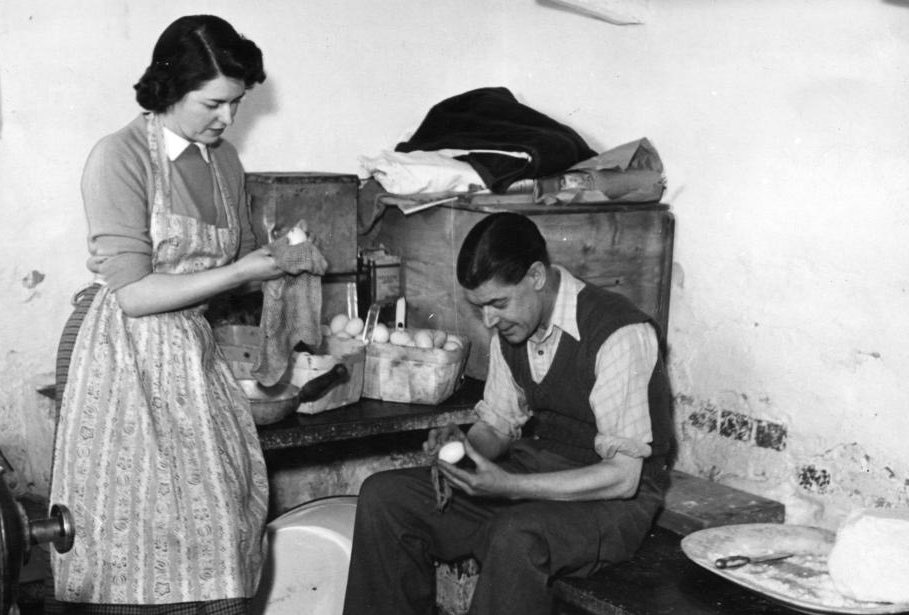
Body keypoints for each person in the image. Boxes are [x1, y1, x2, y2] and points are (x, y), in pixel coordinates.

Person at [49, 15, 278, 614]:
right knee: (141, 531)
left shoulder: (223, 164)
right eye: (215, 104)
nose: (228, 120)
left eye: (237, 102)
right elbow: (133, 293)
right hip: (127, 359)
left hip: (193, 359)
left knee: (223, 524)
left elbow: (240, 255)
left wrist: (278, 257)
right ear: (171, 86)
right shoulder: (120, 156)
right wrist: (243, 271)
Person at [342, 212, 675, 615]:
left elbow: (623, 478)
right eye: (480, 307)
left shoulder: (617, 332)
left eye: (498, 303)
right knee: (386, 496)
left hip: (614, 502)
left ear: (536, 276)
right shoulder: (513, 326)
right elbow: (498, 426)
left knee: (515, 534)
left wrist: (508, 488)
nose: (488, 320)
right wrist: (464, 449)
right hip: (538, 474)